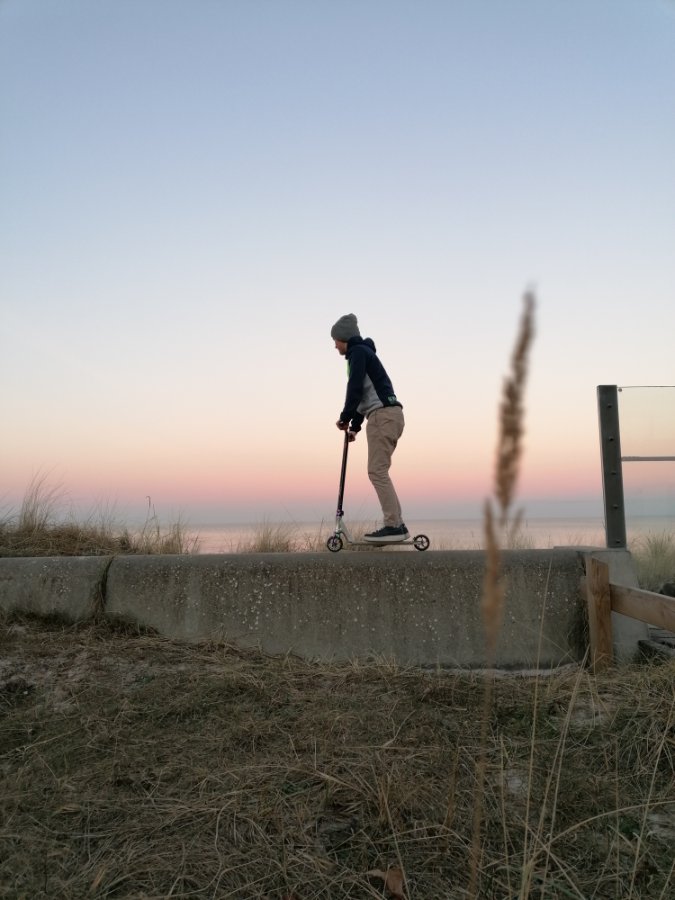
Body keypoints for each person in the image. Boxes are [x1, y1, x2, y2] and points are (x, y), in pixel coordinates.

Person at [330, 313, 408, 542]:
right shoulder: (364, 353)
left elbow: (354, 388)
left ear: (343, 338)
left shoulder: (357, 353)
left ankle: (394, 526)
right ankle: (397, 524)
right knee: (379, 471)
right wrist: (354, 425)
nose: (334, 346)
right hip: (387, 416)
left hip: (382, 416)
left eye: (335, 341)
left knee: (377, 472)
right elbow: (364, 396)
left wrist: (345, 417)